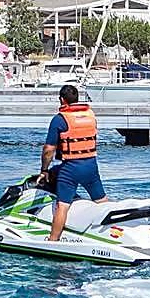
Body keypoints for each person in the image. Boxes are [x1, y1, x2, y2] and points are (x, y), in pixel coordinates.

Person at [41, 84, 108, 241]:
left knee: (62, 206)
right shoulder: (91, 115)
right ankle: (116, 232)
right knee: (102, 201)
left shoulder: (59, 119)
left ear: (62, 100)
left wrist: (44, 170)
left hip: (70, 168)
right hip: (91, 165)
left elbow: (49, 150)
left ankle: (52, 241)